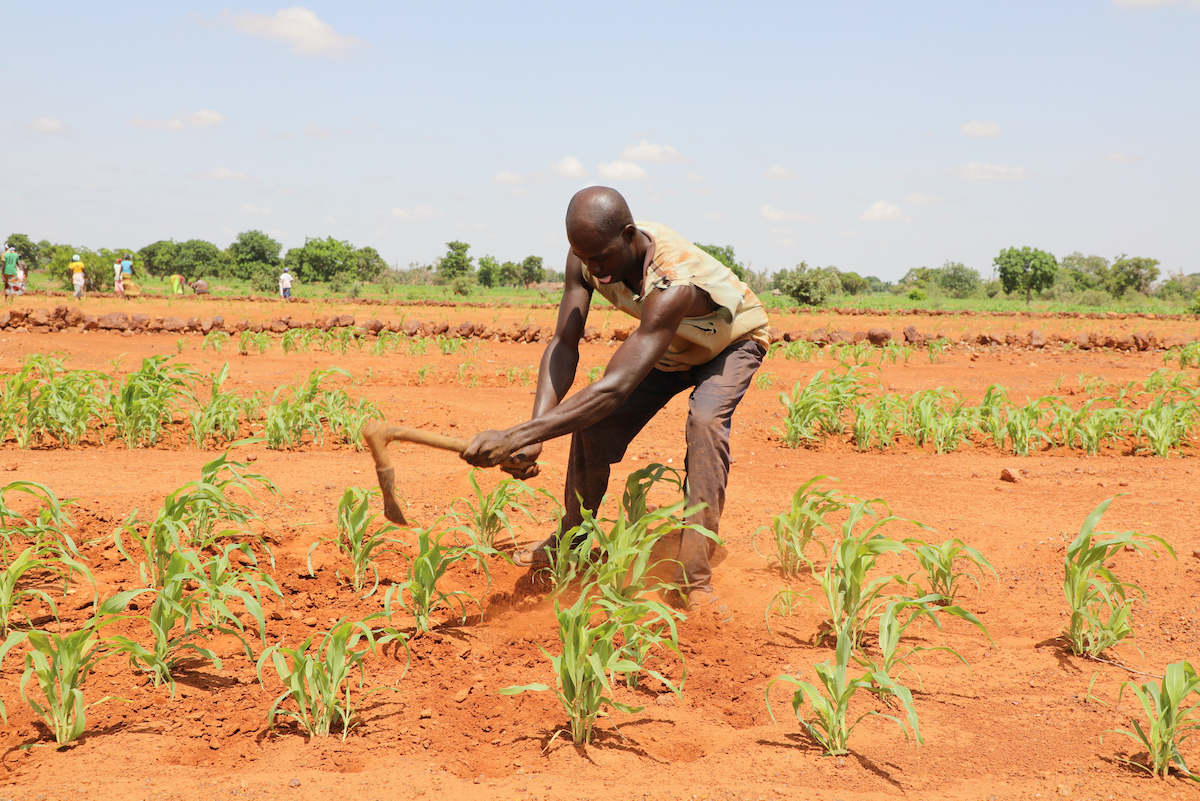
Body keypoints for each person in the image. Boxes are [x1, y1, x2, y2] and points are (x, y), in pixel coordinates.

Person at [461, 186, 770, 620]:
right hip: (669, 342)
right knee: (590, 425)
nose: (594, 269)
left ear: (629, 236)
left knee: (705, 423)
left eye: (602, 258)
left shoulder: (672, 280)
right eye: (585, 258)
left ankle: (694, 579)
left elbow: (614, 388)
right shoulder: (587, 255)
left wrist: (516, 435)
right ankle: (574, 541)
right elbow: (564, 342)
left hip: (730, 343)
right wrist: (535, 430)